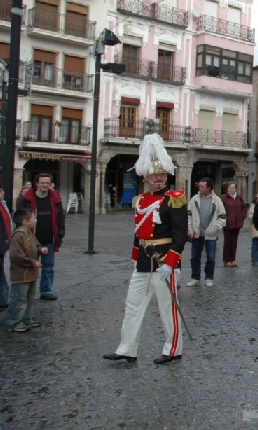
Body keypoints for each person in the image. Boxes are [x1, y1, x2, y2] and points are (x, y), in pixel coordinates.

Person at [103, 134, 188, 364]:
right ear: (146, 176)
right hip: (143, 260)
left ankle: (173, 349)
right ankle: (127, 349)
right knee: (132, 305)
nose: (158, 178)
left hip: (164, 261)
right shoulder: (141, 200)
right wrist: (134, 256)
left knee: (167, 307)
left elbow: (180, 235)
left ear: (166, 175)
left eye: (161, 174)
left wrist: (170, 263)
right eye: (154, 174)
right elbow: (138, 232)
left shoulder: (175, 198)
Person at [20, 173, 65, 301]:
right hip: (31, 240)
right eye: (42, 183)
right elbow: (20, 218)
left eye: (47, 183)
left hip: (49, 239)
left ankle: (46, 291)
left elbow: (60, 218)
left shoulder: (55, 198)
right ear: (37, 184)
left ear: (50, 184)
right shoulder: (27, 199)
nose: (45, 185)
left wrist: (60, 234)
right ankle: (28, 292)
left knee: (48, 267)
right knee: (29, 266)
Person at [4, 210, 46, 332]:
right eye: (33, 218)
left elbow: (36, 245)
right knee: (19, 299)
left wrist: (40, 250)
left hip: (31, 273)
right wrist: (31, 261)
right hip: (21, 274)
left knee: (30, 298)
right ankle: (14, 322)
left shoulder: (30, 234)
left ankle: (27, 318)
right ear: (25, 221)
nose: (35, 220)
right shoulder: (18, 236)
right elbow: (16, 255)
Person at [186, 177, 226, 287]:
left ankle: (209, 277)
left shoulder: (217, 201)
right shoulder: (194, 199)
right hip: (197, 233)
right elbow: (189, 216)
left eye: (202, 186)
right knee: (194, 257)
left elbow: (222, 217)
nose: (199, 187)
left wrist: (215, 228)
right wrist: (190, 230)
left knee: (211, 257)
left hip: (211, 235)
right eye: (199, 185)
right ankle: (195, 277)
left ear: (209, 188)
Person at [0, 181, 13, 312]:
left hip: (4, 245)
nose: (3, 193)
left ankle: (2, 300)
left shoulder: (3, 205)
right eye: (0, 191)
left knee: (4, 275)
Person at [221, 181, 246, 267]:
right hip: (227, 224)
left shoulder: (239, 198)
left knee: (234, 242)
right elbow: (220, 210)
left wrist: (242, 216)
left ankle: (232, 259)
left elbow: (243, 208)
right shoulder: (223, 198)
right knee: (227, 242)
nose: (231, 189)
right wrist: (225, 219)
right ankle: (226, 260)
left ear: (235, 188)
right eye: (230, 187)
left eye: (233, 187)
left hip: (237, 223)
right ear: (227, 188)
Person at [246, 193, 258, 266]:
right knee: (255, 244)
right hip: (255, 228)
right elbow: (250, 217)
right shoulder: (253, 207)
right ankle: (254, 260)